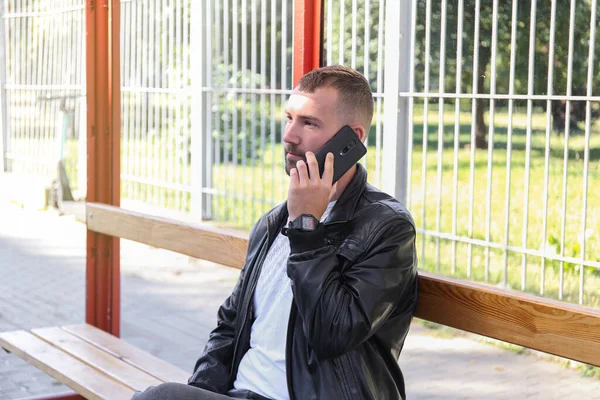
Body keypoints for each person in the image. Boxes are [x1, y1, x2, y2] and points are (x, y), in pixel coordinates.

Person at [132, 65, 418, 400]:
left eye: (308, 122)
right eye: (289, 118)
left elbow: (334, 335)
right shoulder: (272, 223)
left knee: (159, 398)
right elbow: (231, 325)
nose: (289, 136)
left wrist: (307, 227)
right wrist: (201, 392)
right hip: (241, 393)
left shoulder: (386, 228)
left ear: (351, 140)